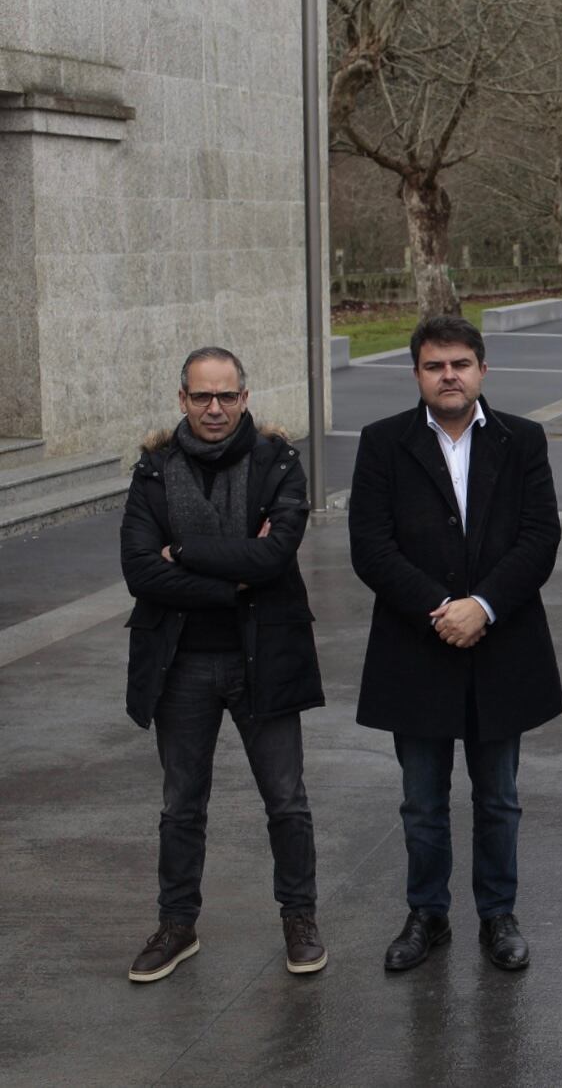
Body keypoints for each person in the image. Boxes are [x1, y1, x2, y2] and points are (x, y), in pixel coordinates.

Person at [350, 316, 562, 974]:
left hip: (503, 646)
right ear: (416, 372)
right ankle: (427, 913)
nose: (449, 375)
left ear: (482, 370)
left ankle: (499, 914)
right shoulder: (383, 443)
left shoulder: (522, 441)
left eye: (461, 363)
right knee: (422, 799)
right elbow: (371, 546)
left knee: (499, 796)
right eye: (436, 364)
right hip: (417, 647)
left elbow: (539, 538)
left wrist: (485, 606)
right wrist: (440, 610)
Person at [119, 346, 325, 982]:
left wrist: (182, 551)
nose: (215, 408)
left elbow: (276, 557)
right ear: (182, 398)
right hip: (179, 665)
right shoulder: (153, 469)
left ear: (245, 396)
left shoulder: (280, 463)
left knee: (286, 801)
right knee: (181, 805)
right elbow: (138, 571)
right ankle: (177, 925)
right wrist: (232, 578)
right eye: (202, 396)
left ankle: (299, 917)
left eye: (227, 396)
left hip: (266, 657)